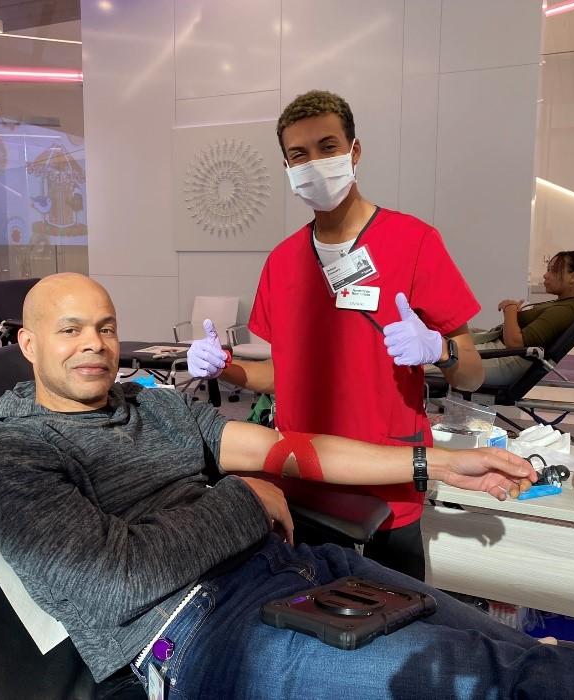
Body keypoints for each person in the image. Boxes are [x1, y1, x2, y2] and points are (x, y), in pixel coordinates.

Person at [0, 273, 574, 700]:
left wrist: (429, 463)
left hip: (307, 572)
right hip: (197, 634)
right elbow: (113, 580)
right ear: (26, 344)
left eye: (104, 326)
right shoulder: (15, 452)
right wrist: (245, 499)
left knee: (534, 662)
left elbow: (285, 449)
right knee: (496, 682)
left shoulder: (149, 404)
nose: (92, 343)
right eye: (67, 331)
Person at [186, 90, 485, 580]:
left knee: (398, 625)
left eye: (328, 147)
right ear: (287, 168)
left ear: (354, 151)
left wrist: (441, 350)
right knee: (311, 621)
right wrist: (226, 366)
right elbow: (284, 376)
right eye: (299, 155)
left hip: (388, 478)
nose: (315, 163)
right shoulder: (283, 262)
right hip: (302, 478)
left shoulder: (414, 243)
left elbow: (472, 375)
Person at [462, 251, 574, 385]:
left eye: (553, 270)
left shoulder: (566, 310)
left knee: (439, 357)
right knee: (447, 336)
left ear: (573, 277)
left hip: (504, 359)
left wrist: (510, 309)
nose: (546, 275)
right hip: (499, 353)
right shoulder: (565, 304)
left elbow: (515, 343)